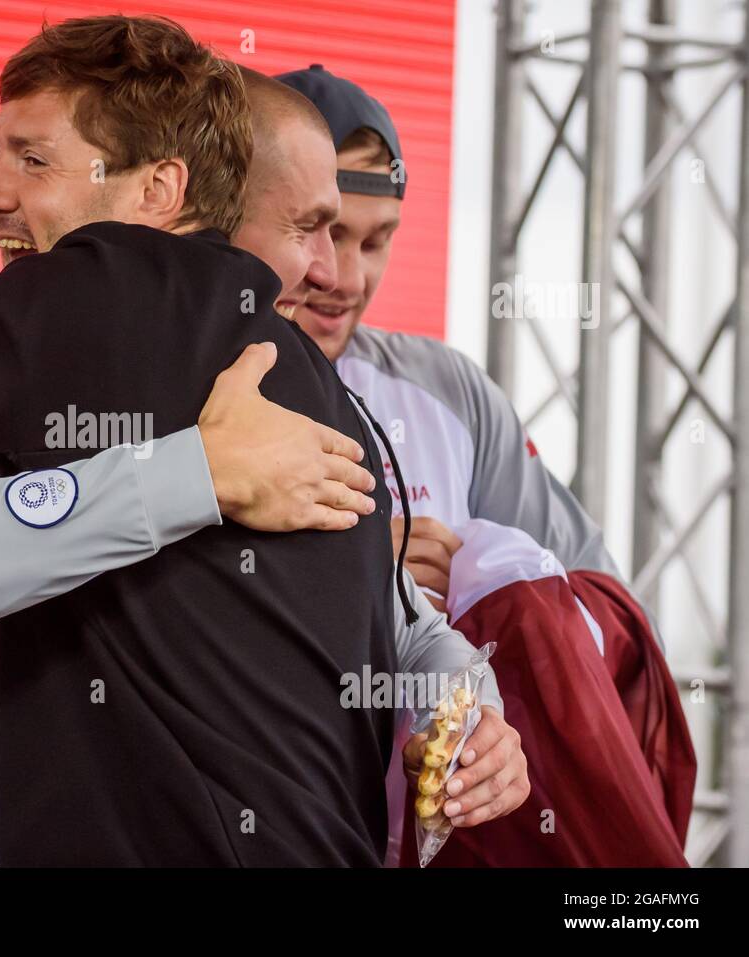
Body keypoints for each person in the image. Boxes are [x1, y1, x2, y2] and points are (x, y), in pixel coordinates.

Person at [0, 16, 526, 865]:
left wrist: (468, 709)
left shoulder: (304, 405)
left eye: (33, 159)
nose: (324, 271)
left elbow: (403, 623)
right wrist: (196, 473)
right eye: (308, 226)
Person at [275, 64, 695, 866]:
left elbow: (599, 623)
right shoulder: (183, 379)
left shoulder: (447, 389)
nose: (348, 279)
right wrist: (360, 558)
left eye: (378, 239)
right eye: (323, 233)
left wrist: (481, 583)